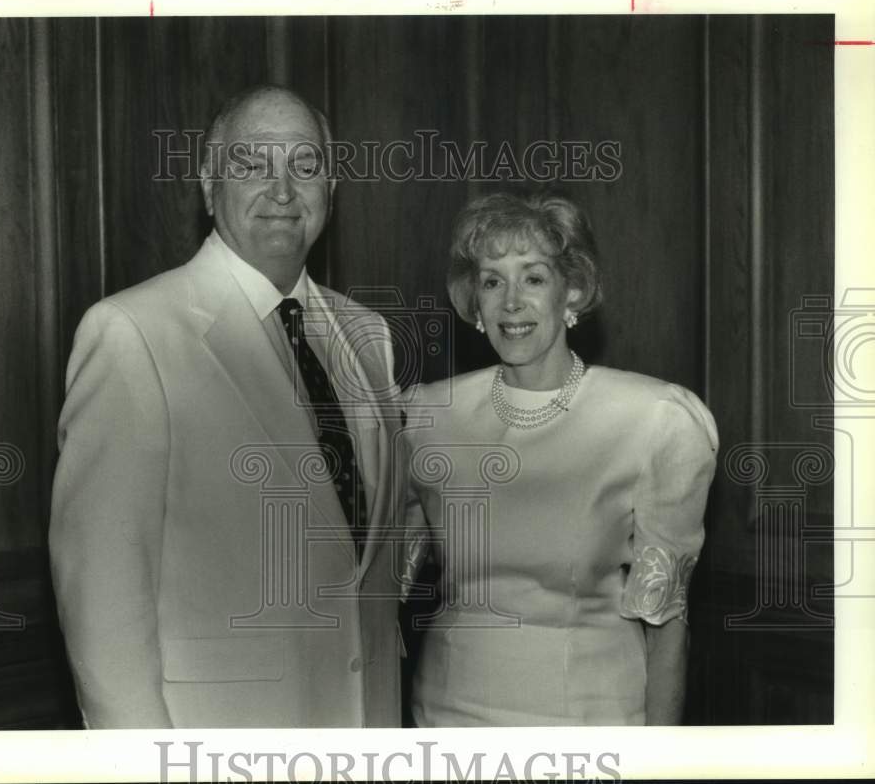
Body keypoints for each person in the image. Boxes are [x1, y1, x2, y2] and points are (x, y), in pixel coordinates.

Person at [49, 85, 406, 728]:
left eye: (304, 166)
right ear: (209, 185)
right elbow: (100, 600)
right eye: (252, 165)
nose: (282, 190)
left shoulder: (369, 336)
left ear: (332, 188)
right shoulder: (133, 333)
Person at [402, 191, 718, 726]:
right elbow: (380, 584)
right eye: (492, 280)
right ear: (474, 303)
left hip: (589, 725)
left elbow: (668, 629)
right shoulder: (429, 414)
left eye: (533, 277)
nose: (511, 303)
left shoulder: (653, 420)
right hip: (446, 721)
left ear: (571, 291)